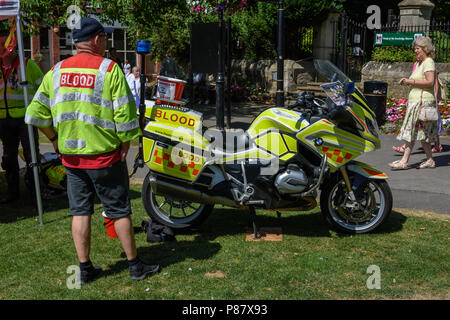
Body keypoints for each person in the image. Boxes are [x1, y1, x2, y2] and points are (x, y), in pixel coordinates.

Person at [25, 17, 160, 284]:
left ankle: (85, 270)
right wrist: (126, 142)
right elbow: (124, 112)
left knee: (80, 211)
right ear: (97, 39)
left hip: (72, 159)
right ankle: (134, 266)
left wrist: (54, 138)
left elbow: (35, 114)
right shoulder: (109, 69)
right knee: (119, 210)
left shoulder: (56, 71)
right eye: (105, 38)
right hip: (104, 157)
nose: (107, 42)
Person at [0, 29, 43, 204]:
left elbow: (43, 90)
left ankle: (37, 194)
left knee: (31, 156)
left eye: (4, 45)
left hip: (26, 118)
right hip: (4, 119)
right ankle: (13, 192)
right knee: (8, 158)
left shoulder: (27, 65)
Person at [389, 36, 438, 170]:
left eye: (417, 49)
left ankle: (404, 161)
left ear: (425, 49)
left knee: (411, 132)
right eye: (414, 49)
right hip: (416, 103)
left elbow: (430, 82)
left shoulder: (428, 62)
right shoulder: (420, 64)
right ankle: (429, 160)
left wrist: (411, 82)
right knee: (421, 135)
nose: (415, 51)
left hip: (422, 104)